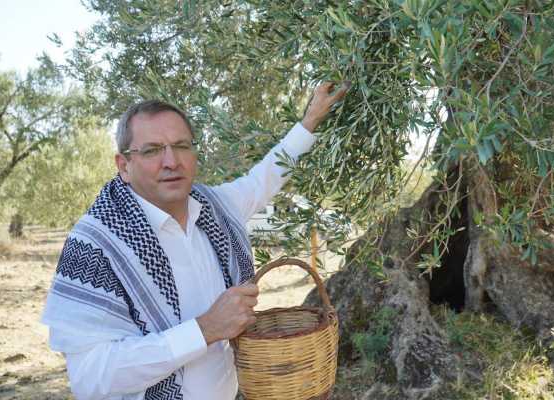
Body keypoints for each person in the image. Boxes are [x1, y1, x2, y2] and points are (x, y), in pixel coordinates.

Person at [41, 82, 348, 400]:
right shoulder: (95, 245)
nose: (171, 161)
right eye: (151, 150)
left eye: (181, 145)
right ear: (124, 166)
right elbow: (91, 377)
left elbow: (264, 178)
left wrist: (309, 121)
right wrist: (205, 329)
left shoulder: (214, 209)